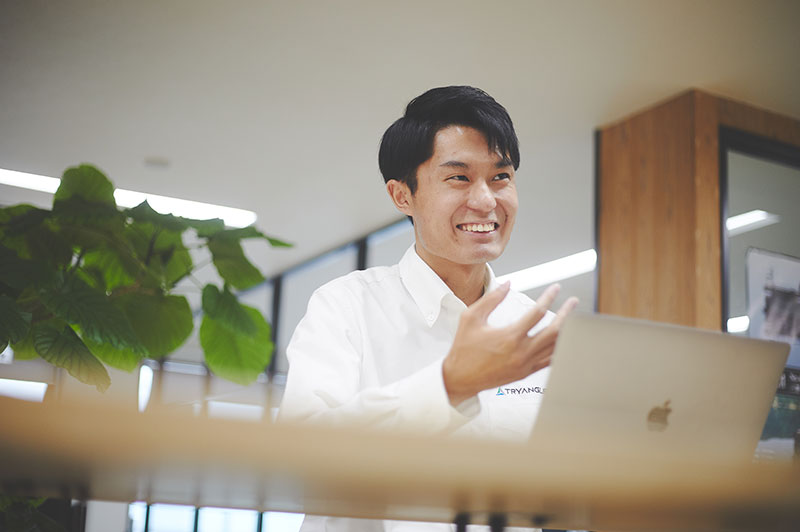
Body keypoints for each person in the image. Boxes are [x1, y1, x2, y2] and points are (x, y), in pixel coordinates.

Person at [279, 86, 578, 531]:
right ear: (403, 196)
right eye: (459, 178)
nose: (486, 200)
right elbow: (303, 462)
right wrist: (449, 385)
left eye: (501, 177)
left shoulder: (541, 331)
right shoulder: (346, 306)